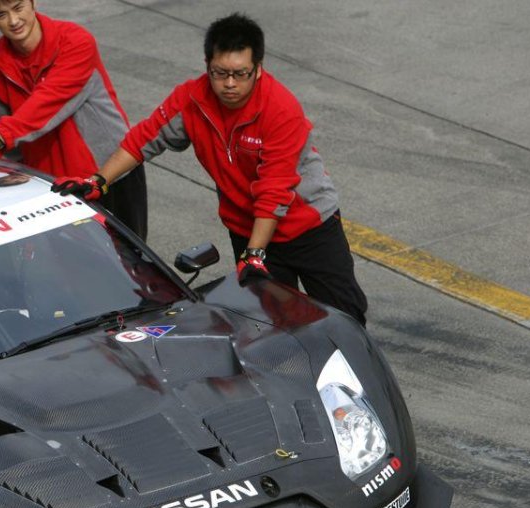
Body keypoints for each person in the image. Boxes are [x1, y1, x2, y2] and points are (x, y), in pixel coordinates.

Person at [53, 13, 367, 325]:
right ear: (207, 65)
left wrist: (254, 255)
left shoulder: (281, 109)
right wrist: (98, 181)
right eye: (220, 73)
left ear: (258, 69)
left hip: (310, 228)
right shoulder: (191, 100)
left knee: (343, 317)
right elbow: (143, 139)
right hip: (247, 229)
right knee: (274, 325)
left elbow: (274, 191)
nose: (230, 84)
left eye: (240, 74)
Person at [0, 0, 148, 239]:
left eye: (18, 8)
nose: (13, 21)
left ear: (32, 2)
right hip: (51, 187)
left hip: (107, 174)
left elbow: (50, 99)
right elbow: (12, 149)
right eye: (1, 15)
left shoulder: (76, 41)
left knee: (128, 264)